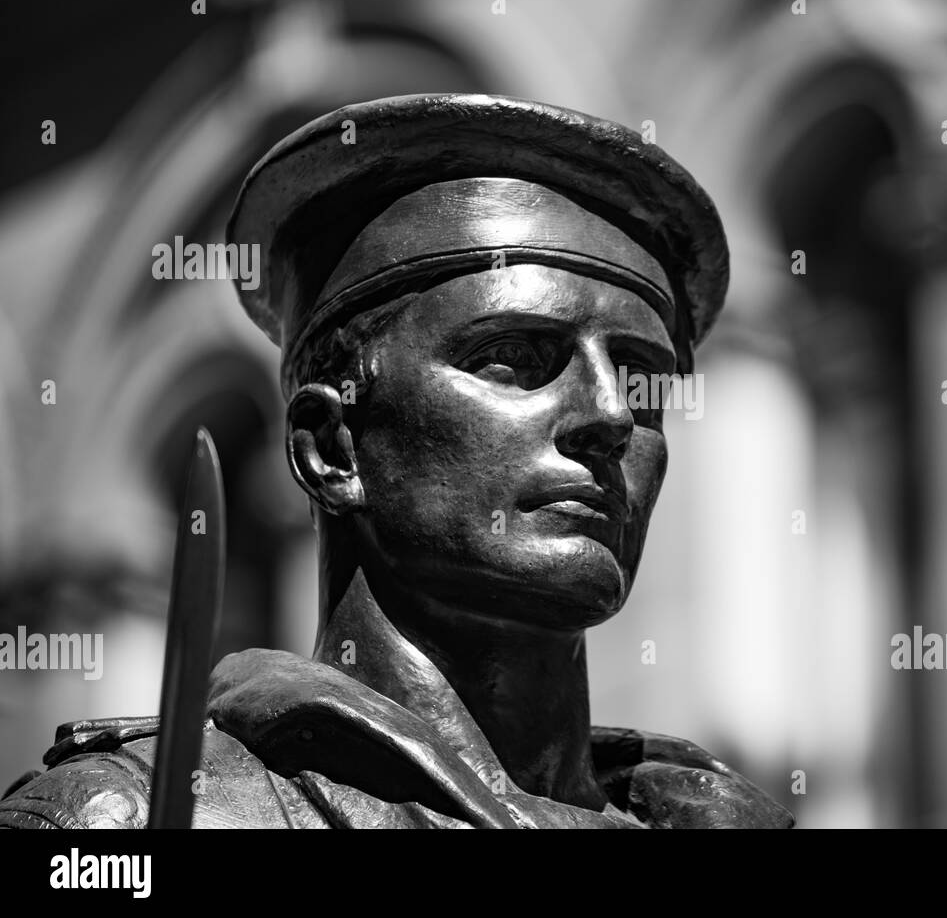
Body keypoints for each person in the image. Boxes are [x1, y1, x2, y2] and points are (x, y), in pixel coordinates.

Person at [0, 94, 792, 829]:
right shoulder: (125, 820)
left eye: (641, 386)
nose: (613, 417)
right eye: (514, 355)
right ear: (331, 447)